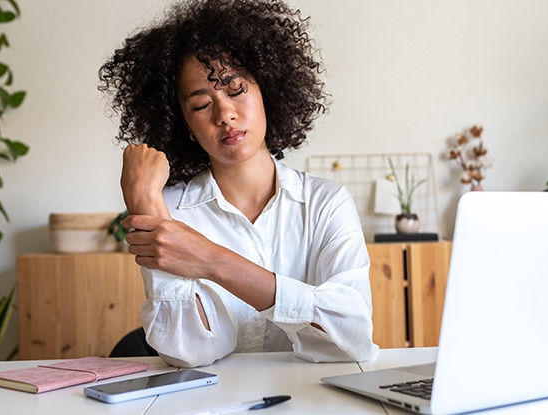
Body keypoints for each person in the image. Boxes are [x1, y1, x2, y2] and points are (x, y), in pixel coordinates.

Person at [98, 0, 378, 368]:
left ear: (268, 90)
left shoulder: (327, 204)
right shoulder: (168, 209)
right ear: (185, 125)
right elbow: (192, 352)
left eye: (235, 90)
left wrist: (211, 260)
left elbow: (350, 339)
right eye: (201, 106)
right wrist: (143, 199)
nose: (224, 114)